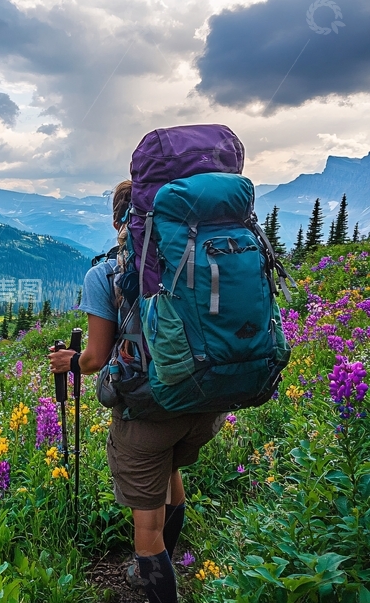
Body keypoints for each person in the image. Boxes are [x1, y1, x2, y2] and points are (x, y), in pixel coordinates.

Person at [48, 180, 225, 603]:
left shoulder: (105, 273)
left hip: (150, 411)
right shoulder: (193, 255)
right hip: (206, 405)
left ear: (118, 220)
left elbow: (93, 358)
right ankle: (169, 554)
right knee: (169, 473)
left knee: (146, 533)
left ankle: (150, 569)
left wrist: (67, 362)